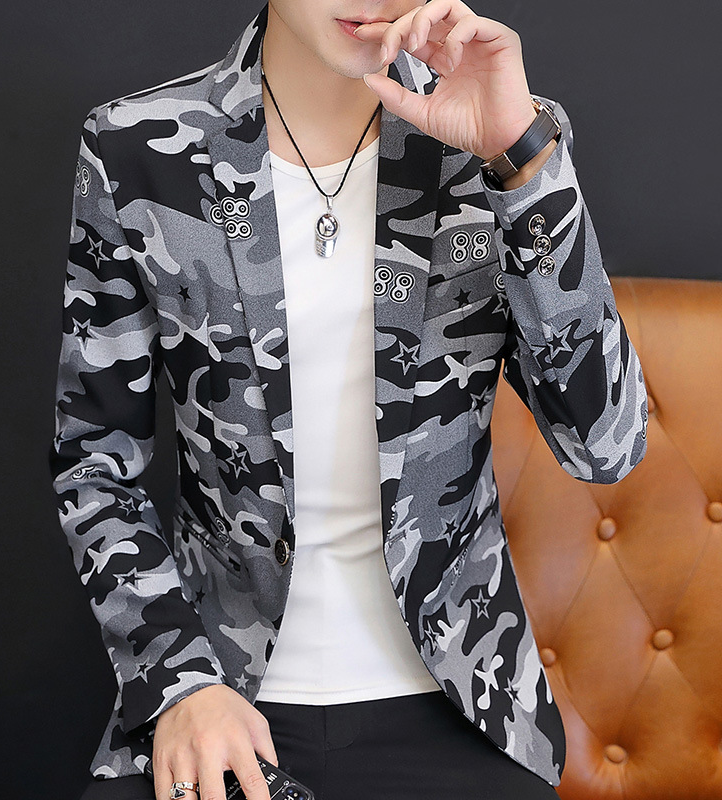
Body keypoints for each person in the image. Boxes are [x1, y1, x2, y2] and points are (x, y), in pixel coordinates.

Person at [49, 1, 649, 799]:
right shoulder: (136, 147)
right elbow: (95, 463)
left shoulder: (498, 136)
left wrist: (522, 161)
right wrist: (180, 684)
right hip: (221, 692)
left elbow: (605, 445)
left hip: (461, 699)